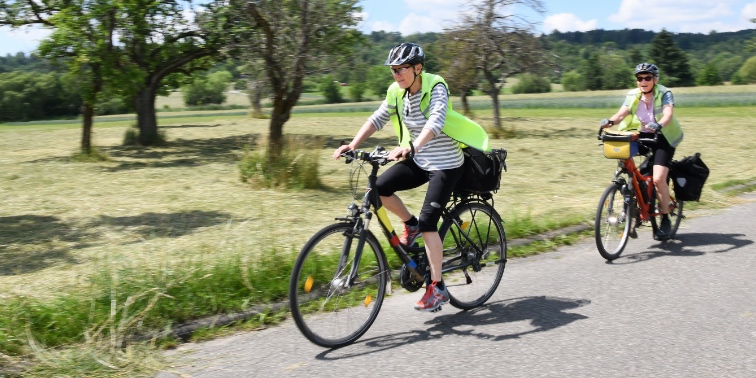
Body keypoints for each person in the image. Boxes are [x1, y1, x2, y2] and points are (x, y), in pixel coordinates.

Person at [333, 43, 488, 312]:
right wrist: (353, 145)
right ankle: (410, 225)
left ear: (418, 68)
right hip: (419, 159)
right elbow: (377, 118)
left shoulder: (436, 86)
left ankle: (437, 288)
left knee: (430, 221)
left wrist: (413, 146)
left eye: (401, 69)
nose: (396, 75)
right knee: (380, 187)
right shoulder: (396, 92)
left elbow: (436, 121)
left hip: (446, 164)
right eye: (393, 70)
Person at [600, 62, 684, 239]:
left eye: (647, 78)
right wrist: (610, 122)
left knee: (659, 177)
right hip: (642, 135)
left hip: (664, 137)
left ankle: (665, 217)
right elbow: (621, 114)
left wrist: (659, 124)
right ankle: (634, 208)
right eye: (640, 78)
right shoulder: (632, 95)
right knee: (631, 168)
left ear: (655, 79)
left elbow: (668, 115)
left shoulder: (664, 93)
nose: (643, 81)